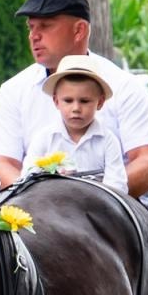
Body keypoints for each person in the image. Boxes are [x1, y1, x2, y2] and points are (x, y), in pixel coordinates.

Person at [0, 0, 148, 199]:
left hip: (115, 219)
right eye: (31, 27)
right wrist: (45, 204)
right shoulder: (13, 91)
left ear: (79, 30)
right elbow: (1, 163)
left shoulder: (125, 87)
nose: (34, 36)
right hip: (39, 217)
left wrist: (90, 204)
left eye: (45, 26)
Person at [22, 55, 127, 194]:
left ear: (100, 102)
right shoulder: (44, 139)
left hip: (96, 209)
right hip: (51, 206)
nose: (76, 108)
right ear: (56, 101)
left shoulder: (108, 141)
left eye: (84, 101)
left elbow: (117, 186)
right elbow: (26, 179)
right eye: (68, 100)